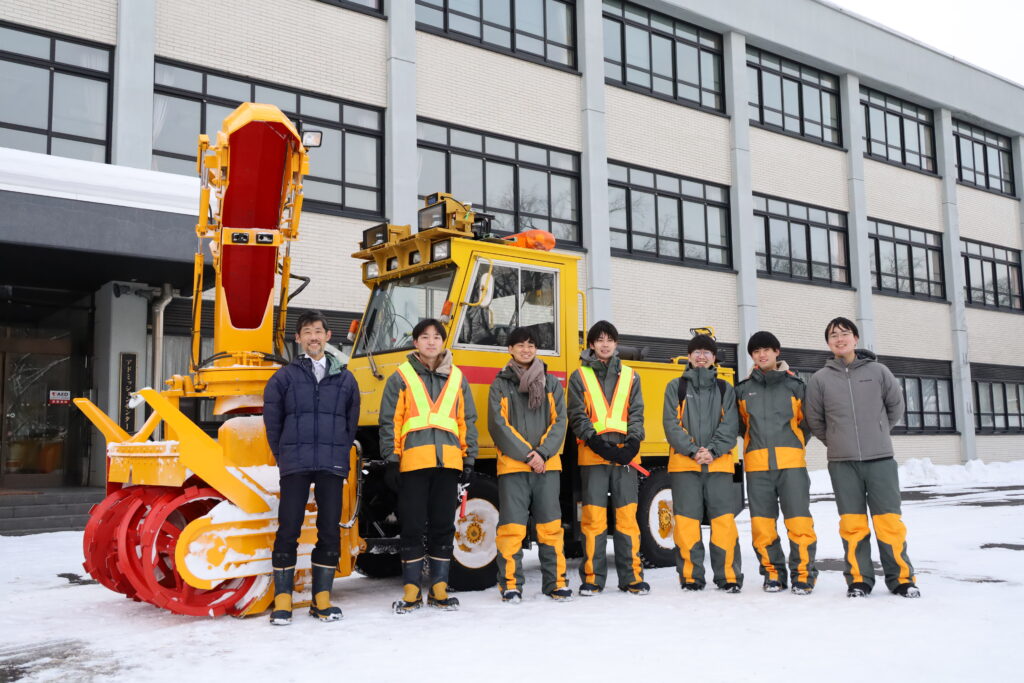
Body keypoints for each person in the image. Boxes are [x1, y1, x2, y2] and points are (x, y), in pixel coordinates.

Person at [804, 317, 920, 598]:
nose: (839, 339)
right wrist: (835, 441)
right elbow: (815, 419)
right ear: (828, 343)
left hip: (880, 459)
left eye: (844, 333)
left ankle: (901, 579)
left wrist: (878, 432)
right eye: (833, 335)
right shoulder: (820, 379)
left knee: (889, 522)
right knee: (852, 524)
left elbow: (895, 407)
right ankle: (859, 579)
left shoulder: (878, 371)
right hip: (843, 464)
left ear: (855, 338)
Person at [263, 310, 360, 625]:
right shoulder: (284, 377)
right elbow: (272, 422)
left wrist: (340, 451)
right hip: (296, 464)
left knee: (329, 530)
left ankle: (322, 600)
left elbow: (351, 421)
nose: (314, 337)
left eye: (319, 331)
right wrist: (285, 456)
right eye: (307, 331)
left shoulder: (345, 377)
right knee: (288, 528)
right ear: (299, 338)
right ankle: (283, 600)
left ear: (328, 337)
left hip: (331, 464)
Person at [379, 318, 478, 613]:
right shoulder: (402, 377)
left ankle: (438, 588)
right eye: (425, 337)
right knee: (411, 526)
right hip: (412, 465)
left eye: (437, 337)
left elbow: (466, 421)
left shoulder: (458, 379)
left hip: (448, 464)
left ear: (444, 342)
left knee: (443, 526)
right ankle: (411, 590)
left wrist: (468, 458)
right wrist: (391, 460)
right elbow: (390, 421)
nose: (431, 341)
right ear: (415, 342)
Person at [488, 326, 571, 603]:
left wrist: (543, 454)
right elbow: (498, 425)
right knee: (512, 529)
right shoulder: (501, 383)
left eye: (531, 345)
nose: (526, 349)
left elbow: (560, 421)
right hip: (514, 467)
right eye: (520, 345)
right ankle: (511, 584)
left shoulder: (551, 383)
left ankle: (556, 582)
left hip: (547, 466)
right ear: (510, 349)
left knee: (551, 527)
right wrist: (528, 455)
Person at [566, 320, 649, 596]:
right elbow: (577, 415)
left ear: (615, 344)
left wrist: (632, 444)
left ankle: (632, 577)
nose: (604, 344)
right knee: (593, 520)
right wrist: (597, 443)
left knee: (627, 519)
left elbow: (637, 412)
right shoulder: (578, 376)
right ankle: (592, 578)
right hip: (593, 456)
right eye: (599, 340)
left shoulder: (631, 376)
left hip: (626, 457)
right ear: (591, 344)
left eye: (609, 339)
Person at [734, 331, 817, 595]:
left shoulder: (795, 386)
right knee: (762, 525)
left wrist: (794, 441)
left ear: (777, 352)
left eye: (767, 349)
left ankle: (803, 574)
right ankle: (772, 574)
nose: (762, 354)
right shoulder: (743, 389)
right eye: (756, 351)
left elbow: (808, 422)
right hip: (757, 467)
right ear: (752, 356)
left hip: (791, 465)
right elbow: (740, 425)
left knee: (799, 522)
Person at [662, 333, 742, 592]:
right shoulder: (676, 387)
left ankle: (728, 575)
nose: (701, 356)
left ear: (714, 357)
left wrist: (713, 451)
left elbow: (731, 425)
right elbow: (670, 424)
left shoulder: (724, 389)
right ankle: (691, 576)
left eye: (706, 352)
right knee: (686, 523)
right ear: (689, 356)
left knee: (723, 523)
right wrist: (693, 451)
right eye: (696, 351)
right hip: (685, 466)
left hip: (718, 465)